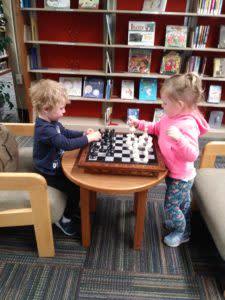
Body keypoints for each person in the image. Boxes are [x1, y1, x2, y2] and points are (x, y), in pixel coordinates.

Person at [128, 73, 209, 247]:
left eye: (165, 103)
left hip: (181, 176)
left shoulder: (187, 125)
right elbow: (157, 128)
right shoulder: (170, 117)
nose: (161, 105)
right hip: (173, 172)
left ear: (179, 105)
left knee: (171, 207)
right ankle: (183, 226)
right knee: (183, 203)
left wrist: (180, 139)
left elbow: (192, 155)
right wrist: (139, 124)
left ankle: (181, 233)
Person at [30, 79, 102, 238]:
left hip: (56, 166)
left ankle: (71, 208)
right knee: (75, 190)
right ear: (46, 109)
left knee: (78, 179)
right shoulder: (44, 129)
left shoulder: (53, 121)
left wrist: (83, 134)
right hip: (47, 173)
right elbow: (66, 143)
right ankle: (64, 220)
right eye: (61, 108)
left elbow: (66, 133)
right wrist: (90, 139)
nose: (64, 112)